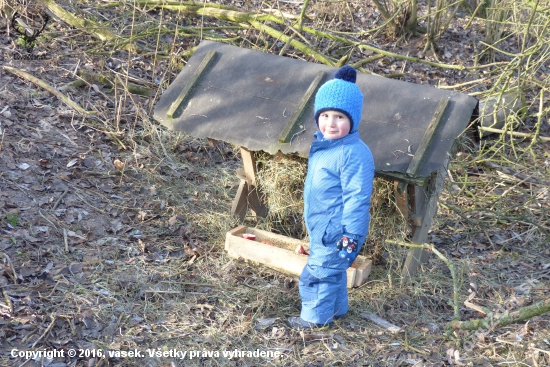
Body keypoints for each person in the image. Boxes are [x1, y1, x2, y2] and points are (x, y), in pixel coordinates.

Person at [287, 65, 375, 329]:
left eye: (339, 117)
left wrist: (351, 235)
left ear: (353, 120)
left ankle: (313, 319)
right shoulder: (326, 145)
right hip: (322, 225)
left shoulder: (353, 153)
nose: (331, 123)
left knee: (318, 273)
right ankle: (336, 309)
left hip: (337, 231)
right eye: (325, 115)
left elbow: (357, 198)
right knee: (333, 270)